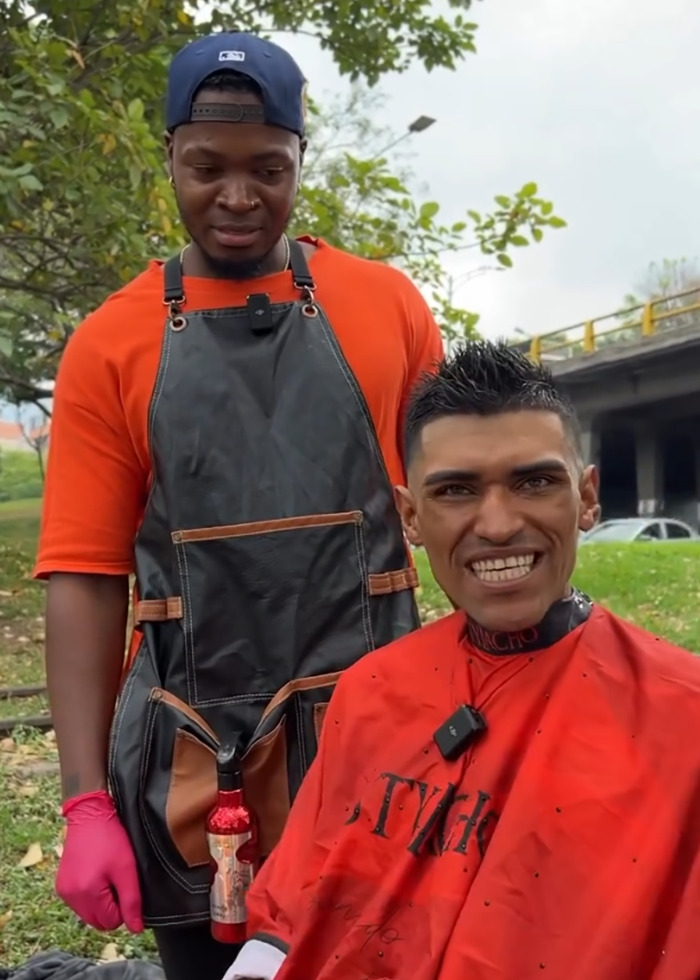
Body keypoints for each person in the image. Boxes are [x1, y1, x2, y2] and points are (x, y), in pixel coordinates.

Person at [33, 30, 443, 980]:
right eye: (206, 167)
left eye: (268, 167)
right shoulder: (109, 343)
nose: (238, 196)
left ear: (301, 156)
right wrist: (85, 803)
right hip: (194, 772)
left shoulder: (387, 307)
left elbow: (453, 509)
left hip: (376, 753)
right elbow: (85, 577)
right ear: (169, 157)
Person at [224, 340, 700, 980]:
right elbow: (290, 913)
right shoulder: (371, 690)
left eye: (535, 482)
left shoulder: (682, 718)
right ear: (410, 517)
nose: (498, 525)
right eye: (456, 491)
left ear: (587, 498)